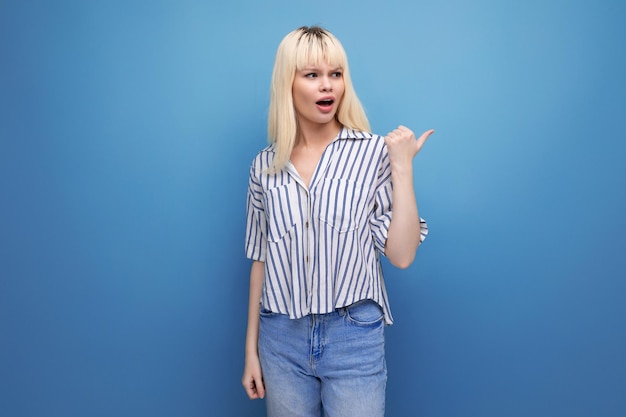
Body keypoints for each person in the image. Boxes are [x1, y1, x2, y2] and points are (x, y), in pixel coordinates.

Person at [241, 25, 433, 417]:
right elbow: (260, 260)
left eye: (336, 74)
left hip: (353, 335)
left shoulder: (373, 153)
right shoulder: (265, 165)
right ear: (288, 83)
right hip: (280, 337)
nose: (327, 86)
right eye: (312, 75)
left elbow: (401, 255)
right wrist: (251, 351)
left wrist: (402, 168)